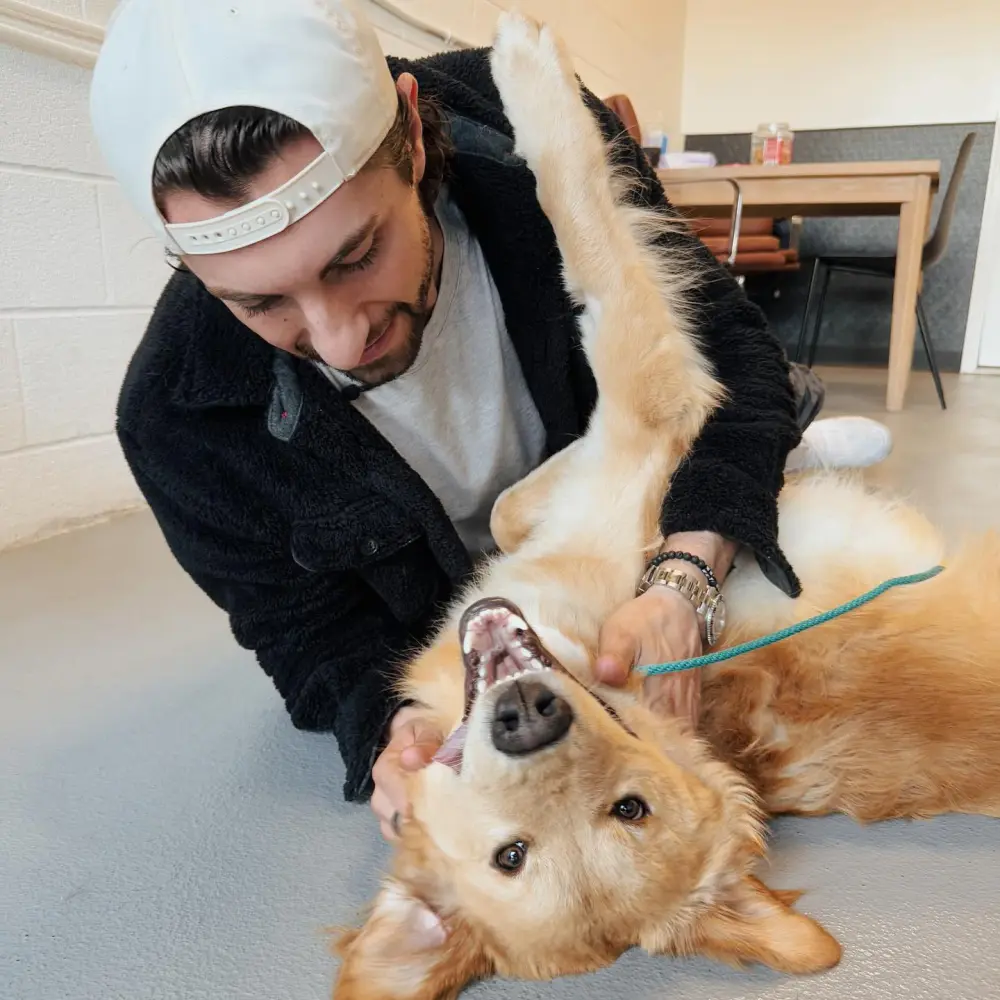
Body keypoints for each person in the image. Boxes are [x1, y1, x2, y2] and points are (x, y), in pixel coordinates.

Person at [89, 0, 892, 842]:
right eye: (258, 303)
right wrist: (391, 732)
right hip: (516, 595)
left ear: (413, 134)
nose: (339, 339)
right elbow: (303, 633)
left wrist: (685, 572)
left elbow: (725, 346)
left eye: (357, 256)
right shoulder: (172, 419)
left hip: (615, 484)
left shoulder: (525, 121)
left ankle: (786, 445)